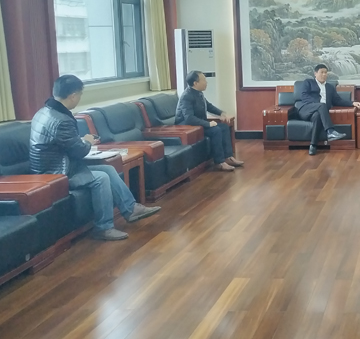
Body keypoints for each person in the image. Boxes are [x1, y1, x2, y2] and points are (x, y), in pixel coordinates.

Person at [30, 75, 160, 241]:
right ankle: (104, 227)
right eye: (80, 95)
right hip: (57, 173)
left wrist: (80, 141)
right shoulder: (61, 120)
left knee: (108, 169)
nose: (79, 99)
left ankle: (131, 208)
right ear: (73, 96)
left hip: (55, 166)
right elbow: (79, 151)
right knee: (101, 178)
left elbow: (62, 145)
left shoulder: (44, 112)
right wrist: (87, 142)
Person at [176, 70, 243, 171]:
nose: (206, 82)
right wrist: (207, 124)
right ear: (195, 83)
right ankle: (219, 162)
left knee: (224, 127)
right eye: (204, 80)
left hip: (198, 124)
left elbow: (209, 106)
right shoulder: (187, 96)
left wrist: (222, 113)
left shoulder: (199, 93)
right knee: (216, 130)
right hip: (187, 127)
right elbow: (189, 118)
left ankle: (228, 157)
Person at [296, 64, 360, 155]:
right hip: (305, 109)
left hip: (318, 112)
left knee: (317, 116)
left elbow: (337, 100)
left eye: (326, 73)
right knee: (322, 105)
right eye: (321, 72)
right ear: (315, 73)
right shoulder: (308, 82)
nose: (324, 74)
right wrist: (318, 103)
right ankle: (330, 131)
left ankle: (313, 145)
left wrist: (352, 103)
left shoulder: (330, 87)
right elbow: (304, 96)